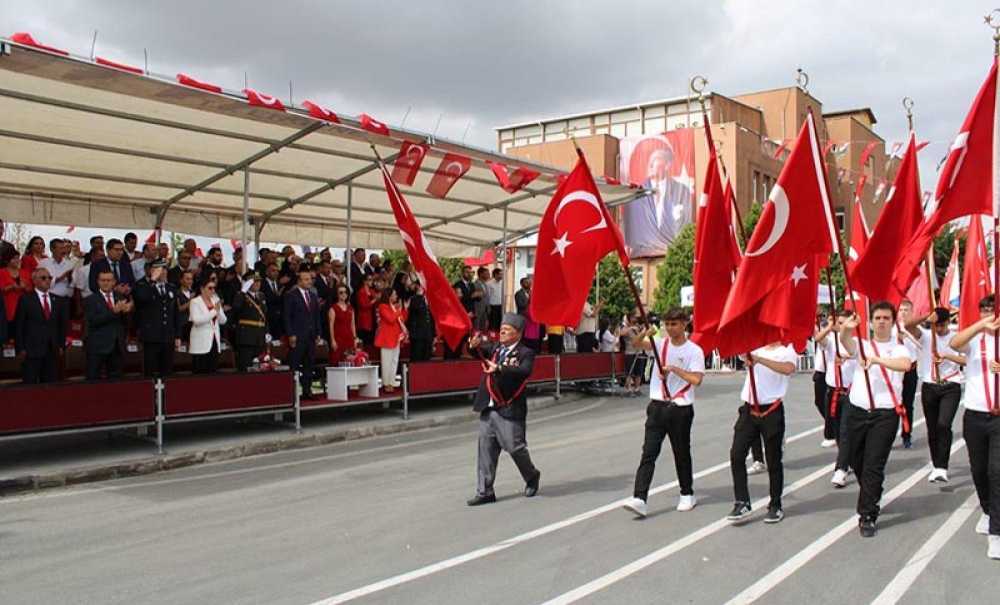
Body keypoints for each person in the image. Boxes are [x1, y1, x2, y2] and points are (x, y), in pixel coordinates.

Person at [838, 302, 913, 538]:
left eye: (886, 318)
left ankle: (867, 514)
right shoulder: (863, 344)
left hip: (884, 413)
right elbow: (846, 343)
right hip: (857, 410)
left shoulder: (898, 348)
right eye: (877, 318)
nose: (881, 321)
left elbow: (905, 365)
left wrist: (878, 361)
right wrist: (846, 329)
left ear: (892, 322)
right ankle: (872, 490)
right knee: (854, 459)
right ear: (870, 322)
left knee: (873, 463)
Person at [623, 307, 705, 517]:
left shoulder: (694, 351)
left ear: (684, 324)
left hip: (680, 407)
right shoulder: (661, 344)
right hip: (657, 406)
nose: (670, 328)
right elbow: (636, 344)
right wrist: (644, 333)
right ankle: (640, 497)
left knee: (681, 452)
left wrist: (675, 370)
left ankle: (687, 493)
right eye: (667, 324)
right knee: (648, 453)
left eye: (674, 324)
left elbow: (697, 380)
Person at [466, 313, 541, 506]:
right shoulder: (495, 348)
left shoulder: (526, 352)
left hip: (509, 407)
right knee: (485, 450)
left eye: (507, 330)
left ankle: (531, 476)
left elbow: (524, 371)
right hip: (488, 406)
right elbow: (478, 352)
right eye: (501, 329)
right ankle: (485, 491)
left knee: (515, 448)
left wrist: (499, 368)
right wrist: (473, 346)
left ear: (518, 333)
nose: (502, 332)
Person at [949, 295, 1000, 559]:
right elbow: (954, 343)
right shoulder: (976, 339)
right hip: (975, 415)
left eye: (993, 310)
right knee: (979, 470)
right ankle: (988, 510)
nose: (988, 314)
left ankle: (996, 532)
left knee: (996, 471)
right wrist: (981, 326)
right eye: (984, 310)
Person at [726, 342, 798, 524]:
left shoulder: (786, 350)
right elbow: (740, 352)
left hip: (771, 410)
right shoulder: (755, 347)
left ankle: (775, 504)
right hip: (749, 409)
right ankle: (742, 501)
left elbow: (788, 369)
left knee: (773, 460)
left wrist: (759, 359)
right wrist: (748, 353)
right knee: (736, 454)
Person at [904, 307, 965, 483]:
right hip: (930, 386)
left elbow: (967, 359)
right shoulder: (926, 335)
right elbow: (907, 326)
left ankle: (942, 466)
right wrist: (925, 317)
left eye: (942, 325)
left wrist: (947, 356)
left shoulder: (956, 337)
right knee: (932, 428)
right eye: (936, 325)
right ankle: (937, 465)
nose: (939, 329)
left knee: (943, 424)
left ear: (948, 323)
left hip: (950, 385)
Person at [816, 308, 858, 487]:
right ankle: (848, 459)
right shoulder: (831, 341)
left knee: (845, 430)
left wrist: (848, 357)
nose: (841, 326)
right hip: (832, 391)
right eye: (839, 323)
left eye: (844, 323)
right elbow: (818, 339)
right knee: (837, 430)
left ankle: (840, 469)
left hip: (850, 392)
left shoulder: (857, 342)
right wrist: (829, 327)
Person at [14, 267, 68, 384]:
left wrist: (61, 345)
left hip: (51, 349)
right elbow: (19, 325)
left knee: (50, 384)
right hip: (31, 350)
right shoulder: (26, 299)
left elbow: (61, 325)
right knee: (30, 384)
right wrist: (20, 348)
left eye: (49, 278)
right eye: (43, 278)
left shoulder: (57, 300)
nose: (47, 280)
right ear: (34, 280)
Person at [133, 260, 179, 378]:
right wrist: (152, 280)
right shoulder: (142, 286)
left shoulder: (171, 288)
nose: (163, 272)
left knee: (167, 371)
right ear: (152, 271)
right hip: (151, 336)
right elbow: (142, 298)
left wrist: (177, 335)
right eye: (159, 269)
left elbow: (175, 313)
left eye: (164, 269)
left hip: (168, 336)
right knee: (150, 370)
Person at [84, 270, 130, 380]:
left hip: (116, 346)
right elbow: (93, 321)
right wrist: (113, 312)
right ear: (98, 282)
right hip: (97, 347)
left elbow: (125, 322)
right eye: (102, 280)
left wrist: (127, 311)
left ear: (114, 282)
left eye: (108, 280)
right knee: (93, 379)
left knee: (116, 380)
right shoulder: (91, 299)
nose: (105, 283)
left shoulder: (120, 297)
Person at [284, 269, 322, 398]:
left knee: (309, 363)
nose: (309, 281)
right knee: (294, 364)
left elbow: (317, 316)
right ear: (299, 281)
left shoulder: (312, 296)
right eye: (306, 279)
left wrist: (318, 333)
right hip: (298, 335)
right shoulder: (291, 295)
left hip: (310, 336)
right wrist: (290, 334)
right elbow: (287, 317)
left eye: (310, 279)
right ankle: (291, 392)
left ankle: (307, 390)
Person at [896, 299, 921, 448]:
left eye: (906, 310)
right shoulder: (892, 328)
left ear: (912, 312)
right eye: (901, 310)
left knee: (908, 405)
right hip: (895, 372)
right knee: (892, 405)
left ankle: (906, 434)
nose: (903, 312)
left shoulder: (915, 329)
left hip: (910, 370)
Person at [189, 279, 227, 374]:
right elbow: (197, 321)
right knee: (200, 373)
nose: (213, 291)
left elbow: (223, 321)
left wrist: (218, 310)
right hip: (200, 343)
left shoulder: (215, 301)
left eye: (214, 288)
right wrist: (214, 311)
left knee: (212, 371)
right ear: (202, 289)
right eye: (210, 288)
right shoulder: (195, 302)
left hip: (214, 341)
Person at [231, 272, 267, 371]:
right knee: (245, 367)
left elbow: (264, 317)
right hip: (246, 337)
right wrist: (243, 291)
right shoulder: (240, 295)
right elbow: (236, 309)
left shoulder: (261, 296)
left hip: (259, 337)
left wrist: (266, 332)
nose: (257, 283)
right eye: (254, 281)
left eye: (259, 281)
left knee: (259, 367)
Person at [375, 288, 408, 393]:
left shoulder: (393, 307)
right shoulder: (382, 306)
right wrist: (398, 310)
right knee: (386, 361)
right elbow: (390, 319)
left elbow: (401, 319)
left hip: (396, 337)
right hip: (387, 338)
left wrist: (404, 309)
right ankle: (386, 383)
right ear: (389, 296)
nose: (396, 296)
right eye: (394, 294)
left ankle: (391, 381)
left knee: (394, 361)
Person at [327, 285, 359, 366]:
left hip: (349, 338)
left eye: (345, 292)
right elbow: (331, 325)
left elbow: (353, 324)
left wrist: (355, 338)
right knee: (337, 360)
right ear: (337, 294)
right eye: (341, 292)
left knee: (350, 360)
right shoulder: (333, 308)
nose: (344, 294)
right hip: (338, 338)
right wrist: (333, 340)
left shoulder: (351, 308)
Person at [39, 238, 76, 302]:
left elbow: (74, 283)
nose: (63, 251)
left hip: (67, 299)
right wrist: (61, 278)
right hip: (49, 299)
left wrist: (70, 278)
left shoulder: (70, 264)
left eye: (64, 248)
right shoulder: (43, 263)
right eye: (60, 248)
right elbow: (40, 282)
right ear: (52, 249)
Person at [407, 281, 435, 362]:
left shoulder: (428, 298)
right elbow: (415, 309)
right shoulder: (414, 299)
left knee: (427, 356)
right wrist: (419, 295)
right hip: (418, 333)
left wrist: (433, 334)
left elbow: (431, 317)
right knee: (417, 356)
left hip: (427, 333)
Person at [812, 313, 830, 435]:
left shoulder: (834, 336)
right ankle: (832, 424)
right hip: (820, 371)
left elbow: (819, 337)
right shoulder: (821, 329)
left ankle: (831, 431)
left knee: (828, 402)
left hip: (830, 372)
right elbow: (816, 335)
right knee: (819, 401)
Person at [1, 256, 26, 326]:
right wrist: (11, 287)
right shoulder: (1, 272)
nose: (17, 260)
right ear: (7, 260)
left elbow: (31, 289)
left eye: (18, 258)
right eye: (14, 258)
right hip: (7, 306)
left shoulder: (24, 272)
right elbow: (2, 289)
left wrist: (25, 287)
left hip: (23, 306)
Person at [261, 262, 285, 339]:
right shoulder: (261, 283)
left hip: (279, 319)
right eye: (273, 270)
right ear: (267, 272)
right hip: (267, 318)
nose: (276, 273)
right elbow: (264, 299)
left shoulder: (280, 284)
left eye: (277, 271)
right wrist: (276, 296)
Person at [355, 273, 378, 346]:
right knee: (365, 338)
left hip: (372, 317)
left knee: (371, 338)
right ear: (364, 281)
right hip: (364, 318)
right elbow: (363, 306)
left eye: (372, 280)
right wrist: (374, 300)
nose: (371, 282)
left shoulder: (372, 291)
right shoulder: (361, 292)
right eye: (369, 280)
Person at [176, 270, 195, 344]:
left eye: (191, 279)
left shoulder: (194, 293)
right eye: (187, 279)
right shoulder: (177, 293)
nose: (190, 281)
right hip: (181, 327)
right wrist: (190, 301)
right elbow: (179, 308)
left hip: (192, 326)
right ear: (181, 280)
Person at [472, 267, 490, 332]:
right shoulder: (474, 284)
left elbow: (486, 297)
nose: (489, 275)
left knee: (484, 328)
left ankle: (482, 340)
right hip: (477, 309)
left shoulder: (485, 284)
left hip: (485, 310)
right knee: (476, 327)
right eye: (487, 273)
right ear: (481, 274)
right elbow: (473, 296)